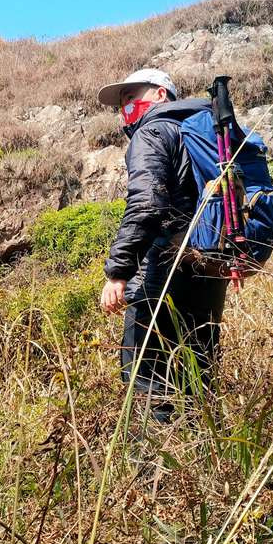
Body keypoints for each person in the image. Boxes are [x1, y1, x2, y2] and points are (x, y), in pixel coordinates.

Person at [97, 68, 229, 423]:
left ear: (159, 95)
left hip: (164, 274)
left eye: (131, 99)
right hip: (210, 270)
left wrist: (118, 271)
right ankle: (208, 464)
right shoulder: (209, 134)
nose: (126, 109)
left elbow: (146, 205)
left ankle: (154, 473)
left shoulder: (153, 131)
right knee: (198, 378)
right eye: (122, 105)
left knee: (148, 383)